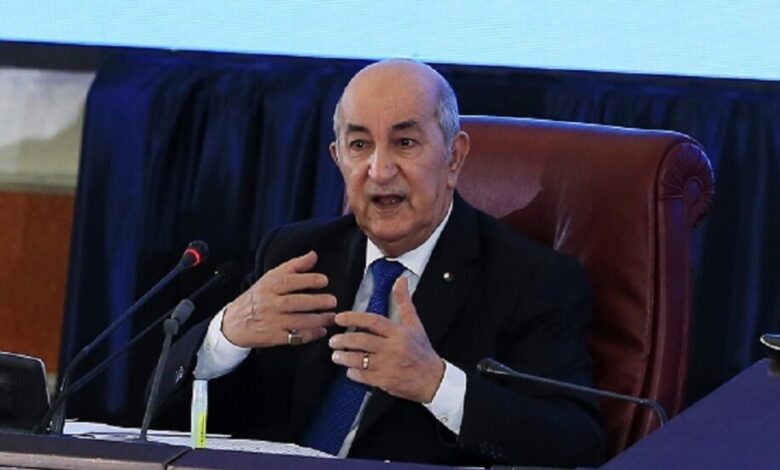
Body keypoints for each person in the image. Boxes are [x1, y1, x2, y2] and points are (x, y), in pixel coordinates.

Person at [159, 59, 605, 467]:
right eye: (359, 145)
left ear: (454, 157)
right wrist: (225, 338)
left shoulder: (532, 279)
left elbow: (576, 443)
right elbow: (159, 418)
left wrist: (435, 383)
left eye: (405, 142)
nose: (379, 170)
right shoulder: (296, 255)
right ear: (338, 159)